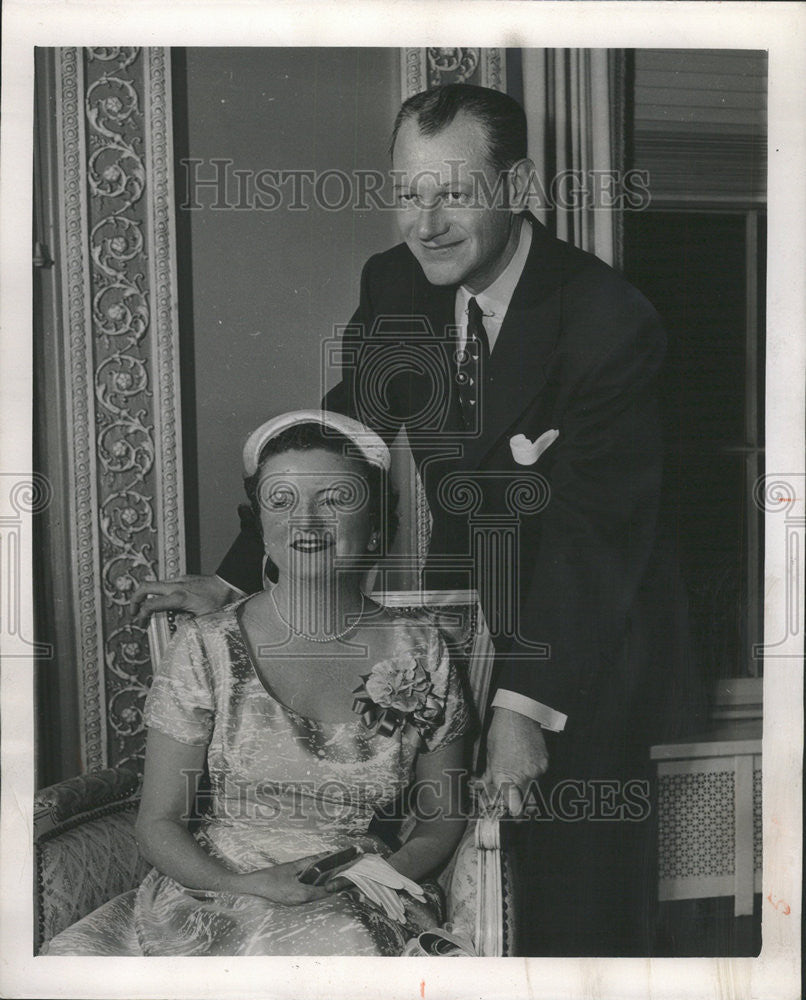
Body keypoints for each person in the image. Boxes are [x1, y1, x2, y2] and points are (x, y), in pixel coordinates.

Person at [133, 84, 703, 954]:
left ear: (517, 185)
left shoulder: (608, 320)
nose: (425, 222)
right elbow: (348, 433)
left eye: (456, 192)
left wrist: (526, 707)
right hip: (463, 627)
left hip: (589, 643)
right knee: (441, 890)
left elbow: (596, 538)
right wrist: (240, 571)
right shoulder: (395, 282)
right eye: (409, 191)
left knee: (570, 901)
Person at [45, 412, 470, 956]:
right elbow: (159, 821)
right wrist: (244, 886)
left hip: (354, 894)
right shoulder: (207, 645)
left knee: (332, 946)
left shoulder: (422, 649)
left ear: (379, 523)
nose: (307, 521)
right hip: (214, 893)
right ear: (261, 525)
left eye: (336, 499)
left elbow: (441, 817)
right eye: (282, 501)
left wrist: (374, 876)